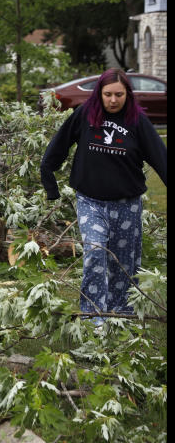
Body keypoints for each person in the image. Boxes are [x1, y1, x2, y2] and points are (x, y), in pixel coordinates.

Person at [40, 68, 166, 325]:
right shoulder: (85, 114)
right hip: (90, 201)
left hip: (126, 204)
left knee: (123, 266)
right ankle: (93, 316)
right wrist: (49, 182)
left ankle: (120, 315)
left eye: (119, 94)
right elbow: (59, 145)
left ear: (127, 95)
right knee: (95, 253)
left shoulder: (137, 122)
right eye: (108, 94)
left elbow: (160, 157)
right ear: (100, 94)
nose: (113, 100)